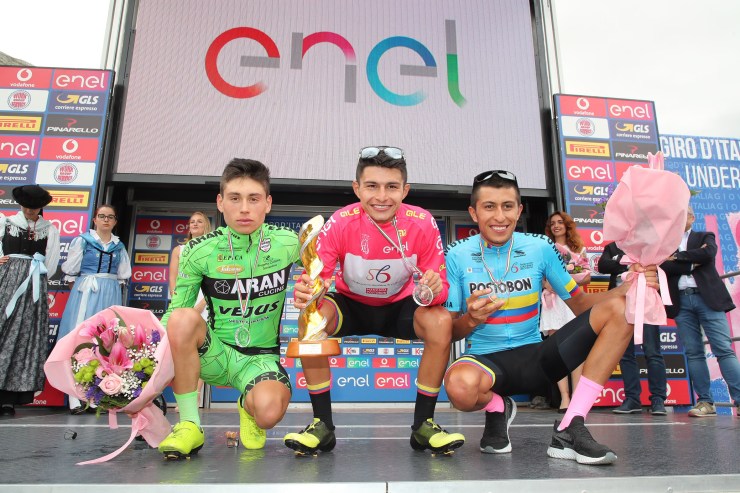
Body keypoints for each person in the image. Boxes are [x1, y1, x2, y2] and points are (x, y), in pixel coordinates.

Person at [443, 170, 659, 465]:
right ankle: (497, 408)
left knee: (622, 308)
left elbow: (580, 304)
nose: (499, 216)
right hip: (485, 360)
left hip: (538, 358)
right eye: (489, 206)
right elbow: (450, 331)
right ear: (473, 212)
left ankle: (572, 424)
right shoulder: (456, 254)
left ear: (519, 210)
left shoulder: (541, 247)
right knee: (459, 387)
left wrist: (626, 288)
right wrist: (470, 319)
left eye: (507, 206)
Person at [284, 146, 464, 456]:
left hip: (400, 309)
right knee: (312, 319)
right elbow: (317, 279)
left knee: (440, 320)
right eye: (372, 186)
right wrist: (307, 292)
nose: (382, 196)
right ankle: (322, 425)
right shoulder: (341, 221)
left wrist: (434, 289)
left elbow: (441, 290)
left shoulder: (421, 222)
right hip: (351, 306)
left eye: (391, 187)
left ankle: (424, 425)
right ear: (357, 188)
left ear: (405, 190)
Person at [157, 158, 300, 459]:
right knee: (182, 319)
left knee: (268, 413)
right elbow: (175, 311)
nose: (244, 208)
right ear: (220, 203)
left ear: (268, 203)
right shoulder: (198, 250)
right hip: (214, 353)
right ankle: (189, 425)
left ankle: (248, 407)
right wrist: (147, 355)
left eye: (253, 199)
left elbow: (323, 272)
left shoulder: (288, 242)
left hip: (260, 359)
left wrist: (315, 287)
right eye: (235, 198)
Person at [661, 206, 740, 417]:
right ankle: (705, 401)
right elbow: (663, 267)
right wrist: (690, 263)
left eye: (682, 215)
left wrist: (677, 257)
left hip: (708, 299)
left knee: (723, 348)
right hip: (681, 302)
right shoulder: (665, 243)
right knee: (694, 352)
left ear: (692, 218)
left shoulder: (705, 236)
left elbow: (708, 253)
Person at [58, 204, 132, 414]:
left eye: (110, 217)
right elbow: (71, 269)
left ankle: (96, 397)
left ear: (115, 221)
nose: (106, 220)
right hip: (86, 292)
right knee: (80, 340)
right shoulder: (83, 241)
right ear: (95, 220)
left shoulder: (119, 246)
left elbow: (123, 274)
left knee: (103, 343)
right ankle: (74, 397)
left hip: (110, 291)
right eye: (102, 216)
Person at [0, 185, 60, 416]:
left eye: (34, 208)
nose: (30, 211)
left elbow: (51, 264)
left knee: (25, 338)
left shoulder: (49, 230)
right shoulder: (6, 223)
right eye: (27, 207)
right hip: (7, 282)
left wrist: (36, 272)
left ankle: (9, 399)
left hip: (34, 284)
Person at [599, 241, 667, 415]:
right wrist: (627, 264)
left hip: (645, 303)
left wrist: (621, 262)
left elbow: (656, 266)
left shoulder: (645, 243)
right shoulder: (612, 247)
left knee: (652, 352)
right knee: (625, 354)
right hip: (620, 304)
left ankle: (658, 399)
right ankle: (632, 399)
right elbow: (603, 265)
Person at [538, 211, 592, 411]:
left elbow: (587, 277)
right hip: (553, 304)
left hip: (573, 302)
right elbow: (539, 276)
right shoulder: (544, 249)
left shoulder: (579, 250)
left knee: (577, 350)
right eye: (552, 223)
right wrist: (547, 284)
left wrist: (566, 281)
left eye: (560, 222)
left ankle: (577, 397)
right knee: (557, 351)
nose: (556, 226)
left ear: (567, 225)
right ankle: (564, 397)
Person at [169, 211, 212, 409]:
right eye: (192, 221)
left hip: (205, 303)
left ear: (206, 226)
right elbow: (173, 280)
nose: (194, 224)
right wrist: (179, 304)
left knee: (201, 352)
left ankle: (195, 397)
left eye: (199, 221)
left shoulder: (211, 249)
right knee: (182, 351)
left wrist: (201, 304)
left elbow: (213, 281)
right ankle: (185, 396)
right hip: (182, 302)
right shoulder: (179, 250)